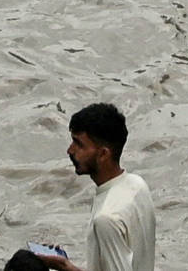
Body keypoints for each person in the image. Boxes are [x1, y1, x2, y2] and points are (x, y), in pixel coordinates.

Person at [34, 102, 153, 271]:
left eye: (79, 144)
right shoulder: (137, 185)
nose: (70, 150)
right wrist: (67, 267)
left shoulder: (106, 219)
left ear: (103, 153)